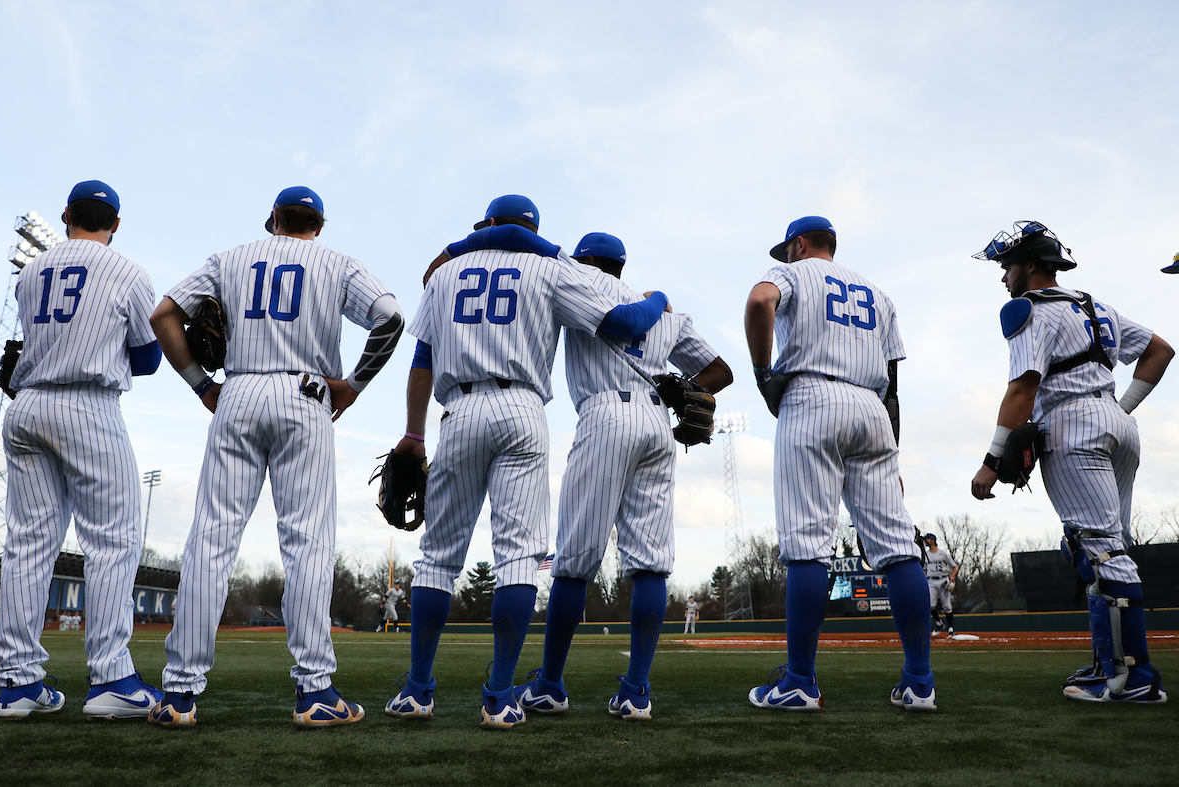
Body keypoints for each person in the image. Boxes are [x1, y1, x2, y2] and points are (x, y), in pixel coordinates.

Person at [383, 197, 670, 730]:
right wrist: (660, 299)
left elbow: (422, 359)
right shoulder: (548, 267)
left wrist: (413, 433)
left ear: (488, 225)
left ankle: (417, 690)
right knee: (518, 557)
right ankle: (499, 697)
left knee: (438, 557)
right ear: (532, 229)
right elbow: (626, 322)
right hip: (521, 408)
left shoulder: (445, 273)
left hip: (459, 408)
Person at [148, 186, 405, 728]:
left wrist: (200, 383)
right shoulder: (337, 262)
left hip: (237, 392)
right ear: (319, 225)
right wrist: (354, 384)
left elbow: (164, 316)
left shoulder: (230, 258)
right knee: (307, 541)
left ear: (273, 220)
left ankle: (178, 695)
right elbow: (390, 318)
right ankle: (315, 690)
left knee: (211, 538)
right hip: (304, 394)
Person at [513, 232, 732, 722]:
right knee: (651, 562)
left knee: (573, 559)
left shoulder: (577, 282)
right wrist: (686, 386)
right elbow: (720, 371)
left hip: (605, 414)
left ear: (587, 259)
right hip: (657, 425)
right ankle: (636, 692)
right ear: (622, 265)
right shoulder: (665, 309)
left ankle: (548, 685)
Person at [970, 221, 1172, 704]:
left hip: (1070, 422)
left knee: (1102, 552)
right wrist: (1118, 411)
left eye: (1007, 266)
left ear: (1032, 265)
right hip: (1117, 424)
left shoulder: (1029, 309)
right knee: (1099, 548)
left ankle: (1131, 678)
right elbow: (1160, 351)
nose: (1003, 278)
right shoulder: (1092, 303)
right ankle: (1112, 662)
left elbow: (1023, 387)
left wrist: (991, 462)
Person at [744, 215, 936, 712]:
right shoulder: (878, 293)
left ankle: (800, 682)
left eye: (787, 249)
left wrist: (764, 373)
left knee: (808, 545)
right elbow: (893, 380)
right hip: (873, 410)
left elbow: (759, 301)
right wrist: (891, 449)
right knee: (897, 546)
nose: (784, 257)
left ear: (800, 244)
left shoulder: (796, 272)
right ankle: (919, 682)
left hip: (812, 396)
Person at [0, 181, 164, 720]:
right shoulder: (128, 270)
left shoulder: (30, 272)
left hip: (27, 406)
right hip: (86, 407)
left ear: (67, 215)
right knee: (112, 539)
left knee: (27, 544)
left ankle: (17, 684)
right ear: (115, 224)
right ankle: (112, 675)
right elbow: (147, 359)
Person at [921, 533, 958, 636]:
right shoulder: (926, 554)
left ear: (933, 540)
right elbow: (924, 570)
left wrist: (951, 578)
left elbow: (955, 567)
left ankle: (950, 628)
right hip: (931, 581)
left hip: (943, 580)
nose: (926, 541)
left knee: (946, 606)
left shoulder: (942, 553)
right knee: (930, 606)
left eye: (927, 539)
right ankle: (938, 623)